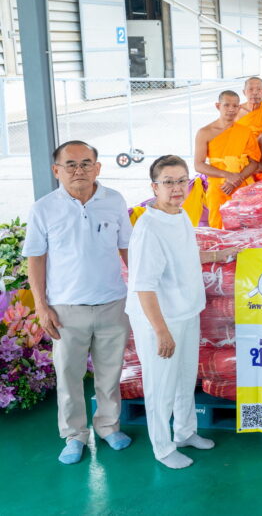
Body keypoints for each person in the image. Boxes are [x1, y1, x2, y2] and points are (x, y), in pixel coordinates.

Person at [23, 140, 133, 465]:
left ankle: (109, 426)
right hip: (65, 310)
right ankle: (74, 436)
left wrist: (142, 292)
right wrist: (41, 306)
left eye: (86, 163)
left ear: (97, 168)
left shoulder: (114, 201)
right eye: (70, 164)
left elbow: (127, 248)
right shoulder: (43, 209)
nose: (78, 170)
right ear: (56, 170)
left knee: (110, 374)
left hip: (112, 302)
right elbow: (35, 259)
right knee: (69, 377)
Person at [128, 155, 234, 469]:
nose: (176, 188)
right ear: (154, 187)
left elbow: (186, 254)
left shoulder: (180, 214)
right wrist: (161, 331)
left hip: (187, 311)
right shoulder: (148, 228)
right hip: (160, 319)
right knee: (160, 386)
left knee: (186, 378)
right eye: (168, 182)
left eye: (181, 181)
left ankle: (185, 433)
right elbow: (143, 286)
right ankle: (163, 448)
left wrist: (220, 255)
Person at [194, 90, 261, 229]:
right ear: (218, 106)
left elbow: (254, 162)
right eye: (226, 105)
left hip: (242, 186)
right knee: (218, 227)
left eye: (235, 106)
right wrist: (228, 176)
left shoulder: (245, 131)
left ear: (239, 107)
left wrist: (237, 179)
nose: (231, 109)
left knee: (245, 227)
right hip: (218, 187)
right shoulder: (205, 132)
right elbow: (198, 165)